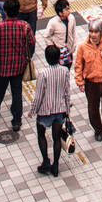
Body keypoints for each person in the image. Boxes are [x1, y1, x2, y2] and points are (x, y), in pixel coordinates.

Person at [0, 0, 35, 131]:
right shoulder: (25, 26)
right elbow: (32, 41)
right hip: (18, 66)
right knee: (17, 92)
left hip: (1, 66)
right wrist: (27, 57)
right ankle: (16, 120)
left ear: (5, 12)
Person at [75, 18, 102, 146]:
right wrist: (80, 82)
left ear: (101, 32)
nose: (93, 34)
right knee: (93, 109)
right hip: (91, 84)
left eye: (96, 32)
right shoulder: (82, 47)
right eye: (91, 31)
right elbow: (78, 65)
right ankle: (98, 130)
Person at [29, 44, 72, 177]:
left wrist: (32, 110)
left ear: (47, 58)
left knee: (41, 134)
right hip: (59, 109)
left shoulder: (43, 74)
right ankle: (56, 165)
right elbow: (67, 91)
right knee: (56, 138)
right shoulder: (65, 71)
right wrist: (67, 109)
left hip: (45, 110)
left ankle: (46, 161)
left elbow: (39, 95)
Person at [44, 0, 77, 69]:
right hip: (59, 52)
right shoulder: (53, 22)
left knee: (67, 69)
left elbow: (74, 32)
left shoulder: (72, 18)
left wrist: (74, 46)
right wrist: (53, 49)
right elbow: (46, 36)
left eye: (69, 8)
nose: (69, 11)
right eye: (66, 9)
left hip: (69, 50)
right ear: (60, 13)